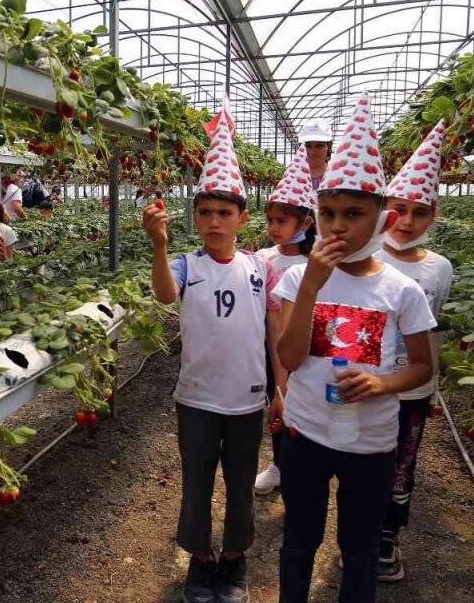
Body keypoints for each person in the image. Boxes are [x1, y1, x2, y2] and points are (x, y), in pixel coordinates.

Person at [272, 94, 436, 603]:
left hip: (371, 443)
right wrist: (311, 287)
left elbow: (426, 368)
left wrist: (383, 382)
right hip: (306, 432)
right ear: (314, 216)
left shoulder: (401, 290)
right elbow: (291, 357)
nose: (338, 225)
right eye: (328, 212)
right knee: (299, 540)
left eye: (353, 213)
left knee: (359, 548)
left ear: (382, 220)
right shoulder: (298, 277)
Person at [143, 102, 283, 603]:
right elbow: (163, 295)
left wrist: (279, 388)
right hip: (197, 397)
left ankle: (235, 557)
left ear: (244, 218)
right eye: (205, 212)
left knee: (242, 481)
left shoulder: (259, 268)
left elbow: (272, 329)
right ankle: (200, 561)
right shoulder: (185, 263)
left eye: (225, 212)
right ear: (195, 218)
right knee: (197, 480)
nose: (214, 221)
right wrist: (159, 246)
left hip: (247, 398)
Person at [375, 120, 454, 582]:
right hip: (367, 380)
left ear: (433, 214)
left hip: (414, 387)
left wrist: (433, 385)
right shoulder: (364, 259)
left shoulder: (441, 268)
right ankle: (361, 528)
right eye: (398, 209)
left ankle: (388, 533)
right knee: (365, 457)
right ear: (385, 209)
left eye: (418, 213)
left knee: (404, 460)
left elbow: (433, 327)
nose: (406, 222)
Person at [253, 144, 318, 496]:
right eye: (270, 221)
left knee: (305, 405)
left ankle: (304, 466)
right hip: (270, 349)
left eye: (282, 221)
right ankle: (279, 464)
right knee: (276, 401)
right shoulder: (263, 259)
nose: (273, 228)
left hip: (309, 350)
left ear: (306, 222)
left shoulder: (317, 264)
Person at [296, 123, 333, 191]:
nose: (312, 152)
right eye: (308, 146)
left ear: (328, 147)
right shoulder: (293, 177)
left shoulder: (336, 176)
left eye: (319, 145)